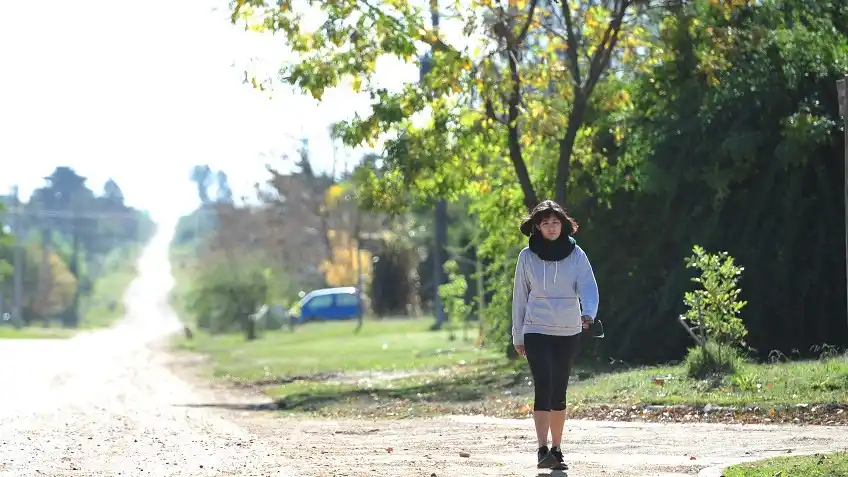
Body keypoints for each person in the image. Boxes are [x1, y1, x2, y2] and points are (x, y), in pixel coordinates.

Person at [512, 200, 599, 471]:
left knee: (559, 387)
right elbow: (519, 297)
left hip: (568, 328)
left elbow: (588, 285)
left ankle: (558, 449)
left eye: (556, 222)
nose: (551, 227)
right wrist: (518, 334)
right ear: (537, 226)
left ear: (563, 225)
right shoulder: (527, 256)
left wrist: (589, 313)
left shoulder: (577, 255)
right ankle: (541, 449)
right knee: (544, 382)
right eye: (546, 223)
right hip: (536, 327)